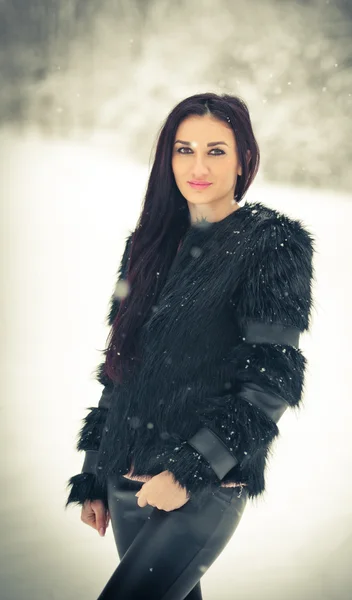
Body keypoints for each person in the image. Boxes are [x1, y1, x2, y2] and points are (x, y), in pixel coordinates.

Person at [64, 92, 316, 599]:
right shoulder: (148, 243)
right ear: (168, 158)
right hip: (128, 478)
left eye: (216, 150)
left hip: (204, 485)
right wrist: (95, 470)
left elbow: (272, 378)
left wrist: (191, 468)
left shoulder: (271, 243)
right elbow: (121, 367)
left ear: (244, 158)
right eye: (184, 149)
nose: (198, 165)